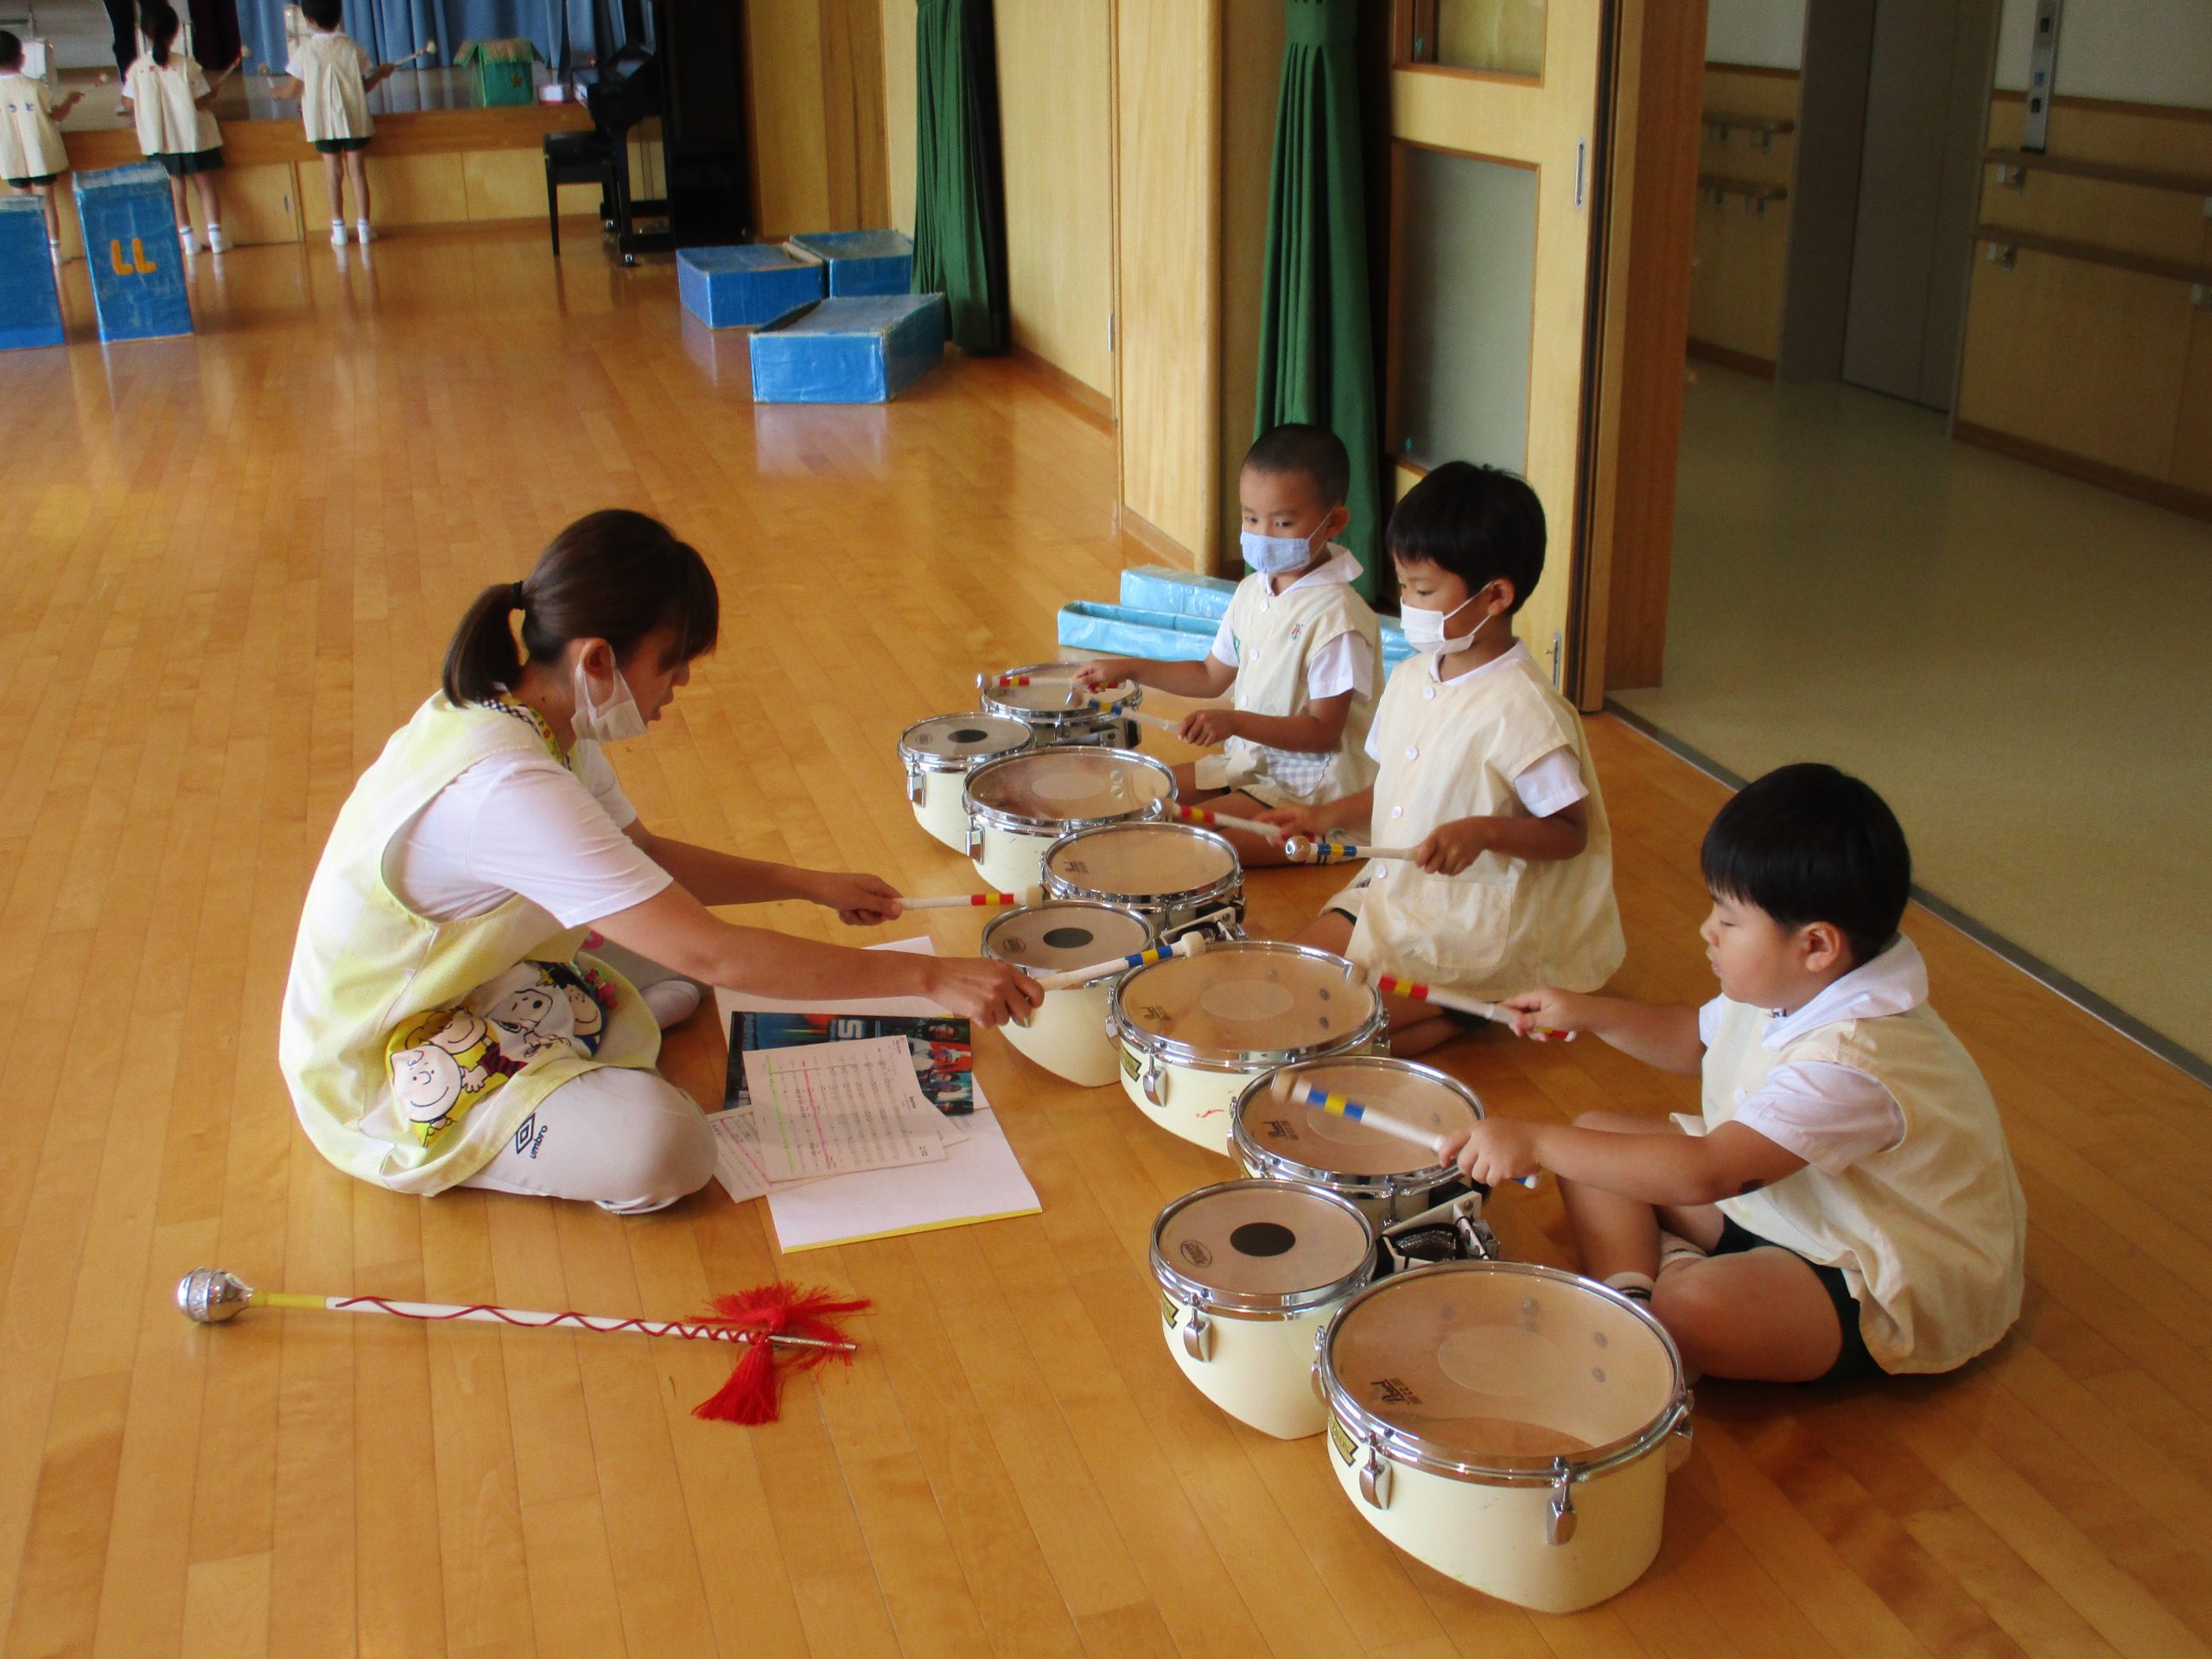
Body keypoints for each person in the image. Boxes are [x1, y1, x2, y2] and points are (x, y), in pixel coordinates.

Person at [280, 510, 1042, 1214]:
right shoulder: (507, 787)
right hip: (387, 1056)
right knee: (667, 1145)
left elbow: (638, 856)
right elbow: (715, 951)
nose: (677, 688)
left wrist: (802, 885)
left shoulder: (534, 716)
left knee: (662, 956)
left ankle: (581, 1045)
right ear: (599, 658)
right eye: (671, 664)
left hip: (474, 975)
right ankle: (501, 1109)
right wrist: (930, 977)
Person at [1448, 764, 2027, 1382]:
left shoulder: (1853, 1061)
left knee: (1693, 1307)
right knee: (1593, 1139)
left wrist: (1533, 1142)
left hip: (1871, 1262)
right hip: (1787, 1199)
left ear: (1816, 945)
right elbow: (1695, 1041)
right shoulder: (1806, 983)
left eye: (1727, 919)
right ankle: (1637, 1305)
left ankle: (1665, 1301)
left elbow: (1709, 1171)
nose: (1707, 930)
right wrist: (1589, 1013)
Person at [1262, 461, 1623, 1055]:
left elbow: (1570, 832)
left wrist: (1483, 830)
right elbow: (1397, 787)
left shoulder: (1524, 711)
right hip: (1391, 892)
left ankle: (1478, 1008)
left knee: (1332, 1031)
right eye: (1403, 586)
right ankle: (1464, 1014)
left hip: (1472, 923)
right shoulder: (1410, 677)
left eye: (1423, 590)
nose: (1407, 603)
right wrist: (1322, 817)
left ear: (1496, 597)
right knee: (1287, 981)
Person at [1074, 424, 1381, 868]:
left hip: (1312, 793)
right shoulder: (1253, 591)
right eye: (1251, 518)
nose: (1262, 534)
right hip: (1249, 765)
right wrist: (1130, 667)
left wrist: (1233, 721)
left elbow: (1323, 732)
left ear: (1333, 522)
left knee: (1182, 844)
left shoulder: (1338, 618)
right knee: (1139, 796)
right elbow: (1210, 674)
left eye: (1283, 522)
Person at [121, 2, 232, 255]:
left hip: (160, 139)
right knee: (205, 186)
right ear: (176, 32)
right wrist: (211, 92)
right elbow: (200, 102)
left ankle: (188, 242)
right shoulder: (187, 65)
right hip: (192, 137)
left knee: (176, 190)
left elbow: (127, 103)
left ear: (143, 34)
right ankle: (216, 239)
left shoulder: (137, 69)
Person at [278, 0, 389, 248]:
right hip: (353, 118)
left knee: (333, 173)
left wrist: (277, 92)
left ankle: (338, 229)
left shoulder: (305, 51)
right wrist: (380, 75)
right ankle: (364, 228)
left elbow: (293, 89)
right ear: (339, 17)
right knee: (357, 172)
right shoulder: (353, 48)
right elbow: (364, 87)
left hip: (322, 121)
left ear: (309, 21)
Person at [0, 31, 89, 258]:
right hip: (41, 154)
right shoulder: (35, 86)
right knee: (46, 203)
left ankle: (29, 253)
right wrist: (70, 99)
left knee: (21, 206)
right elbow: (57, 114)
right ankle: (55, 253)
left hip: (11, 156)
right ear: (22, 59)